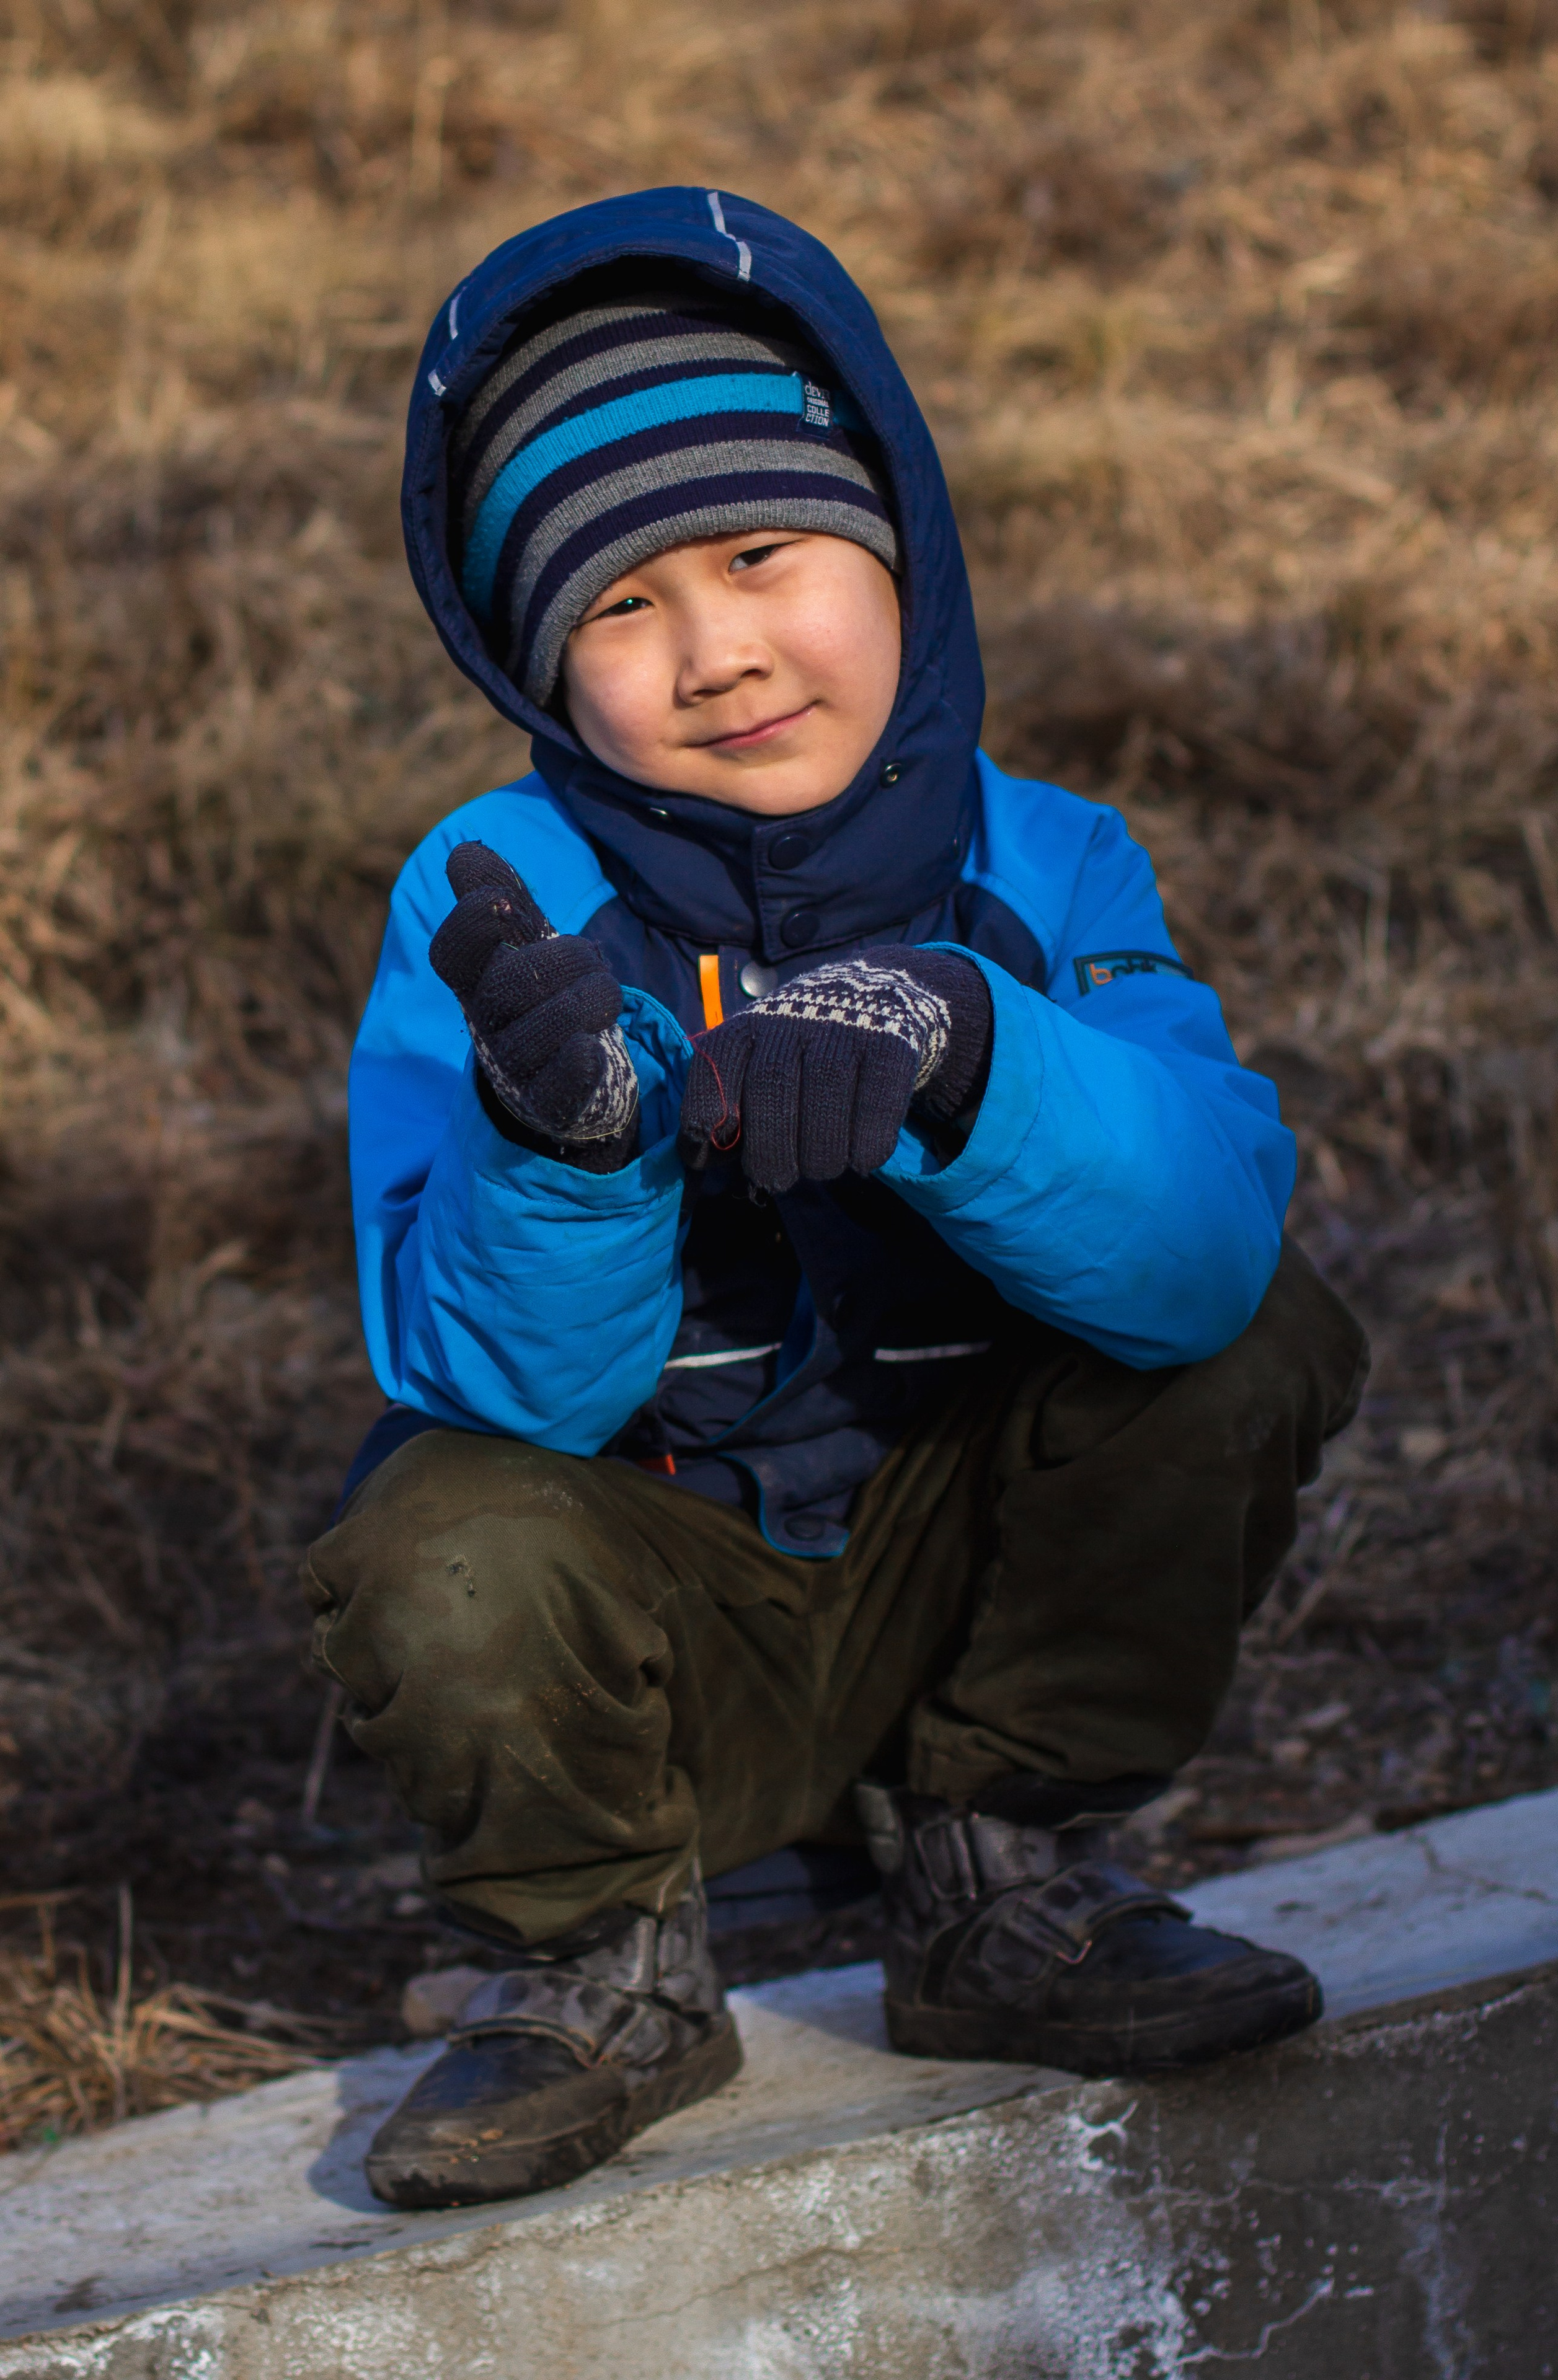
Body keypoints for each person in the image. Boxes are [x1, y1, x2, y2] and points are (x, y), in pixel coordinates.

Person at [304, 188, 1368, 2212]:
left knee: (1261, 1335)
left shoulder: (1050, 865)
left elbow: (1204, 1250)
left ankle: (1007, 1886)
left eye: (762, 557)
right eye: (617, 610)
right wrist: (574, 1142)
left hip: (983, 1605)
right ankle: (599, 1963)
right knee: (442, 1521)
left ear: (896, 546)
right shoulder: (490, 908)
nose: (716, 654)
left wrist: (970, 1044)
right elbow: (483, 1377)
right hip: (678, 1650)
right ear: (535, 666)